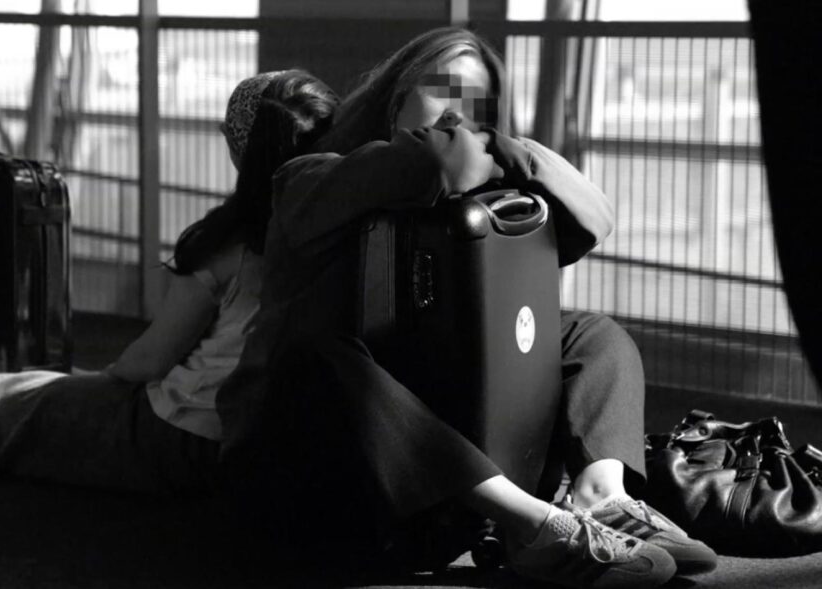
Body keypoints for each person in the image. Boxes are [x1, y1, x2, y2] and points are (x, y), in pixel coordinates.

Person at [216, 28, 717, 588]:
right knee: (321, 358)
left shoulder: (469, 203)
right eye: (444, 91)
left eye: (478, 103)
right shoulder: (308, 176)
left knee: (591, 334)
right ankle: (534, 526)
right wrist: (458, 151)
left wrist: (506, 148)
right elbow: (423, 166)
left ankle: (602, 497)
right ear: (396, 96)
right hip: (305, 479)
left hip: (423, 489)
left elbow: (594, 219)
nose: (460, 114)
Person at [0, 69, 339, 497]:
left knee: (7, 406)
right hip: (266, 447)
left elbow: (147, 362)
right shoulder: (340, 232)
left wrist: (99, 380)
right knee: (36, 392)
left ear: (237, 148)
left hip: (181, 439)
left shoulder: (231, 243)